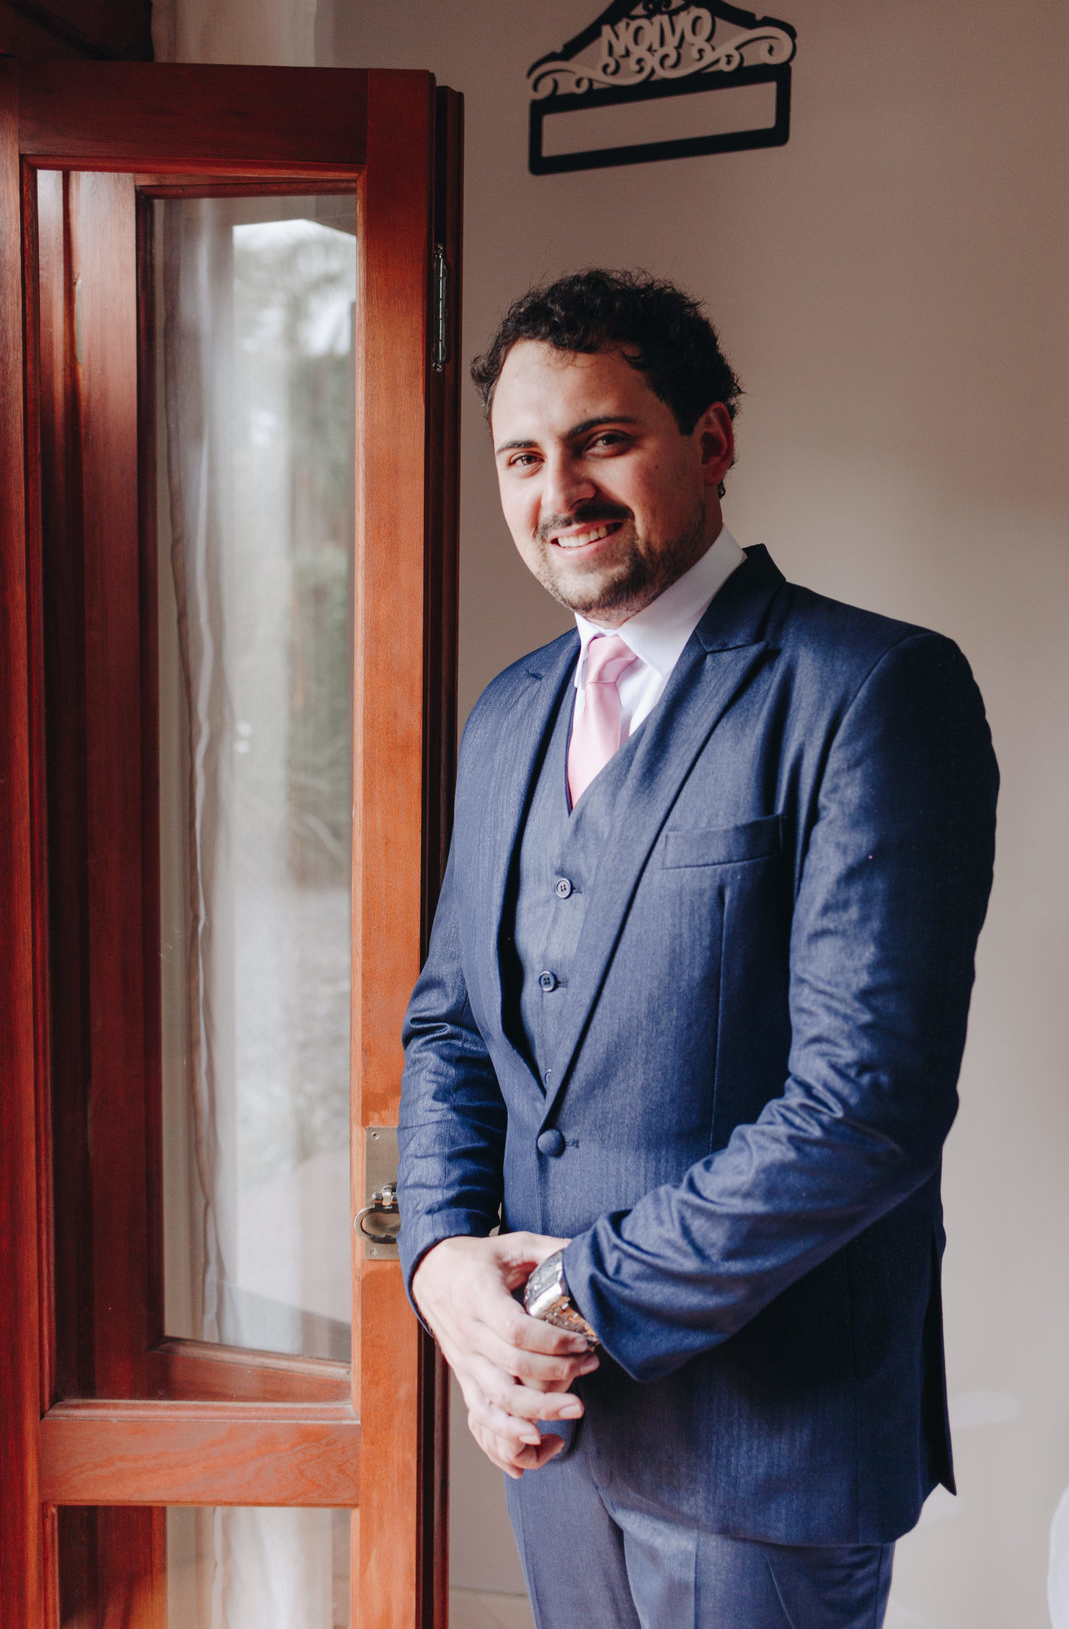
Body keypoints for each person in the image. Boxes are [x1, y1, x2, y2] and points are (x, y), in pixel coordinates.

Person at [398, 270, 998, 1629]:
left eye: (604, 439)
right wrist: (440, 1265)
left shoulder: (871, 690)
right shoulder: (506, 716)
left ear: (712, 441)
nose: (562, 492)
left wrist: (560, 1301)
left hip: (768, 1453)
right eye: (522, 458)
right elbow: (451, 1028)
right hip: (552, 1442)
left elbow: (866, 1109)